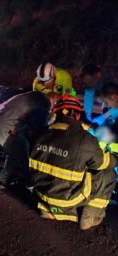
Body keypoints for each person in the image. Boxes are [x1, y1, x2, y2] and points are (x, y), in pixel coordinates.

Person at [28, 95, 117, 230]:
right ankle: (90, 218)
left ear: (56, 113)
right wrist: (115, 156)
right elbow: (104, 163)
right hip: (68, 200)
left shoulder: (40, 133)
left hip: (41, 194)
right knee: (107, 174)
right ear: (77, 115)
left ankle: (49, 209)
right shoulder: (84, 139)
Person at [0, 90, 59, 188]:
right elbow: (39, 127)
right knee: (23, 152)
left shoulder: (35, 95)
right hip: (5, 127)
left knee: (14, 151)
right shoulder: (45, 103)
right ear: (54, 102)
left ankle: (3, 181)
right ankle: (30, 184)